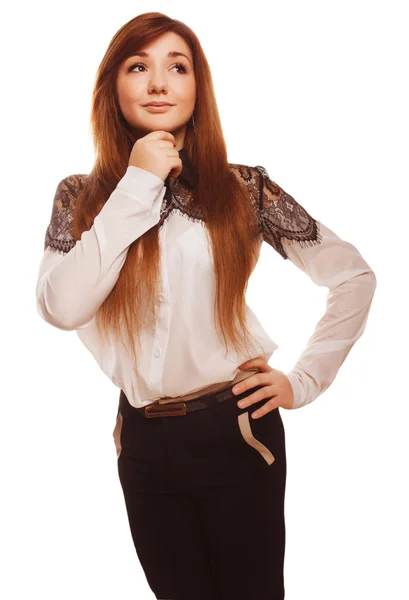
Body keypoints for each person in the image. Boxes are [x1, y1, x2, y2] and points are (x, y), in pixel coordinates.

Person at [35, 11, 377, 600]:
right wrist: (138, 184)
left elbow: (353, 277)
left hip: (237, 430)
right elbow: (61, 307)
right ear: (113, 87)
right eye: (138, 66)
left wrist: (303, 381)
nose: (159, 83)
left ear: (199, 85)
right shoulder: (80, 197)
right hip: (141, 441)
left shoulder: (242, 189)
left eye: (178, 66)